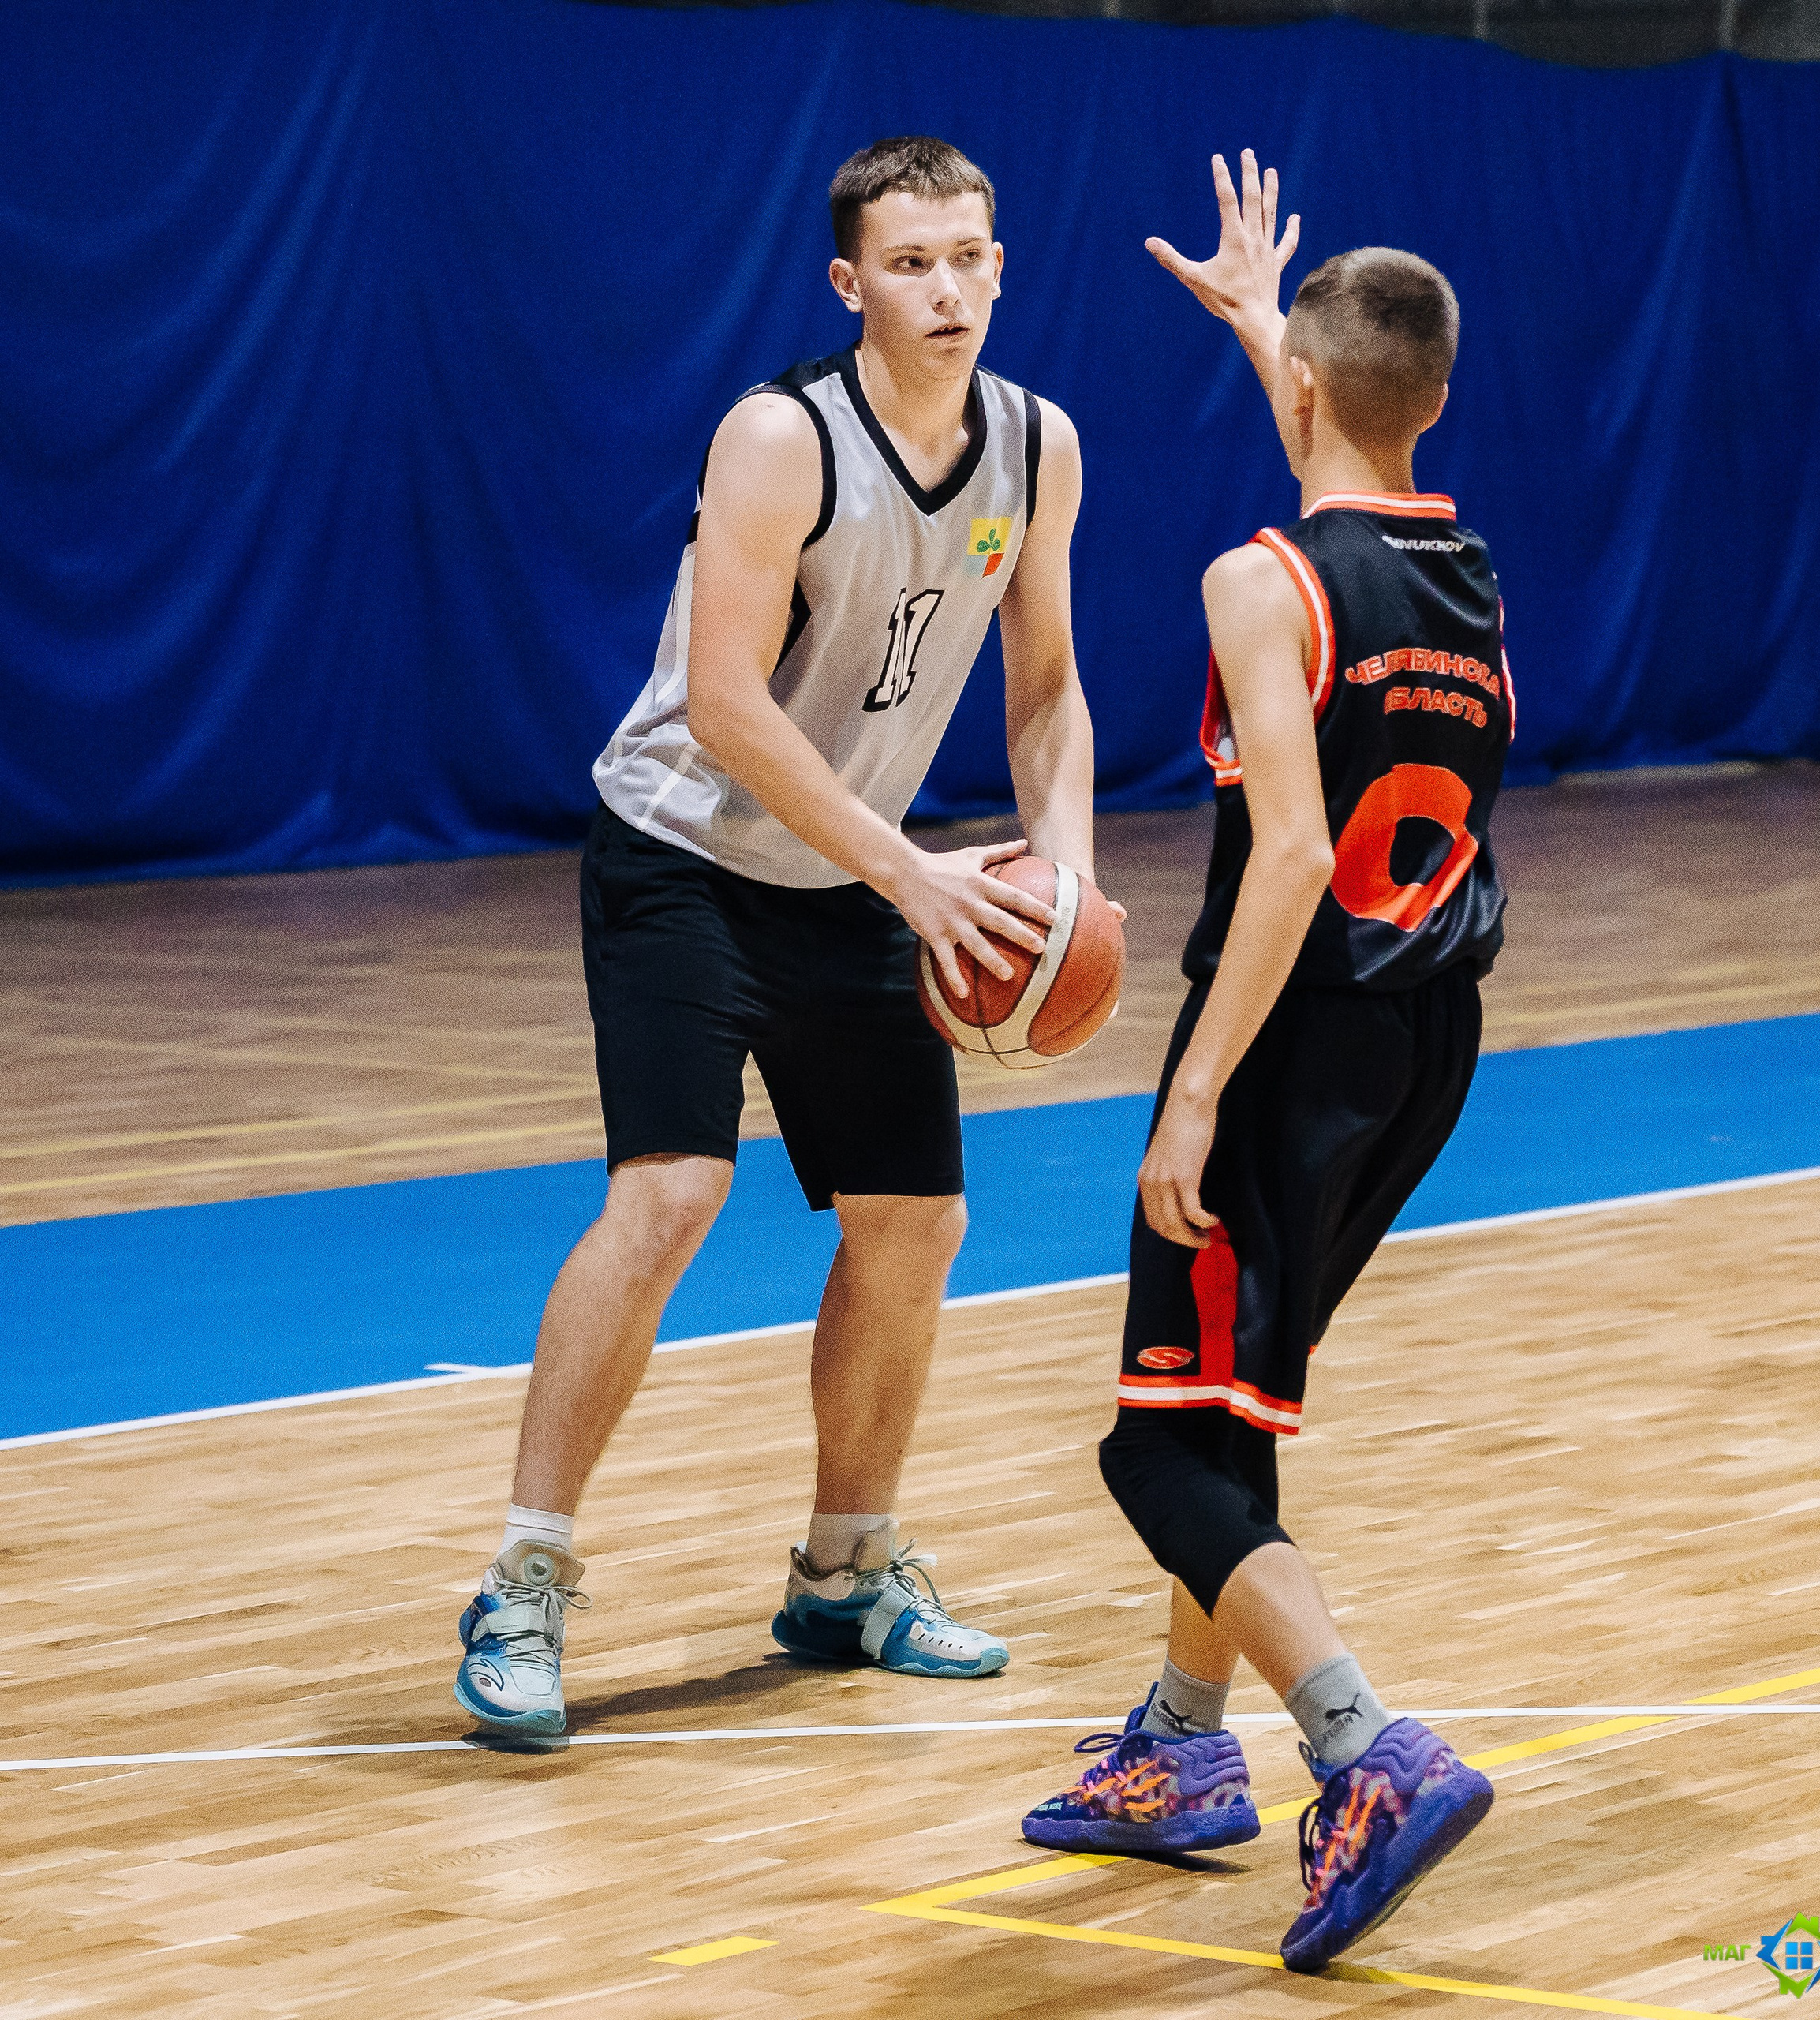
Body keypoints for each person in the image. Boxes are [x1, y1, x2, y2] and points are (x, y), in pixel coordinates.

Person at [454, 136, 1105, 1738]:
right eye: (907, 263)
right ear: (849, 281)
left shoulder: (1035, 445)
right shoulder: (780, 438)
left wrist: (1067, 879)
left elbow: (1045, 689)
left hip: (859, 878)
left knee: (909, 1224)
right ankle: (522, 1578)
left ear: (1000, 265)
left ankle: (844, 1569)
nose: (942, 288)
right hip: (685, 852)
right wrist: (914, 876)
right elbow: (730, 708)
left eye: (966, 256)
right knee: (670, 1192)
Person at [1021, 153, 1508, 1973]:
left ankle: (1361, 1746)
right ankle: (1174, 1743)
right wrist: (1267, 336)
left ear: (1309, 389)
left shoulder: (1255, 575)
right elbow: (1347, 506)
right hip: (1423, 1042)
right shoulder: (1462, 571)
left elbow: (1291, 851)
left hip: (1288, 1029)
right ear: (1432, 400)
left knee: (1157, 1449)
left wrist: (1199, 1088)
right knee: (1226, 1405)